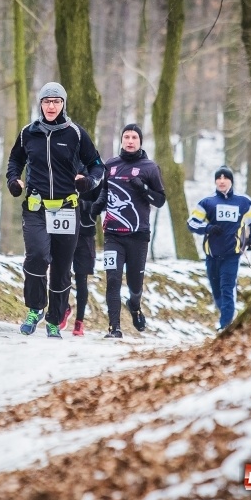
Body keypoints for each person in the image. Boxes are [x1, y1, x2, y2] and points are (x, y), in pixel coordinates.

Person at [6, 81, 104, 338]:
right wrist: (13, 180)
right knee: (37, 255)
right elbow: (15, 159)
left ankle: (54, 319)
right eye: (47, 101)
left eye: (56, 101)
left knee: (61, 267)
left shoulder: (76, 134)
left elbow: (96, 165)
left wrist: (88, 181)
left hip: (66, 209)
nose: (51, 106)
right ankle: (34, 309)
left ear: (63, 104)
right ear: (40, 104)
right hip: (36, 207)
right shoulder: (28, 132)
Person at [90, 124, 166, 339]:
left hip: (138, 235)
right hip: (113, 234)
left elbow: (160, 200)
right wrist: (96, 208)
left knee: (134, 285)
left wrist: (143, 188)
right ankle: (114, 328)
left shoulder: (150, 167)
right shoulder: (111, 165)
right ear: (121, 140)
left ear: (140, 141)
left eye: (134, 137)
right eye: (126, 137)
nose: (130, 141)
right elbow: (106, 192)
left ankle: (134, 305)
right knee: (112, 279)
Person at [187, 165, 251, 332]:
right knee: (217, 292)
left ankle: (225, 326)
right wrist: (207, 229)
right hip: (212, 254)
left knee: (227, 288)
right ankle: (226, 318)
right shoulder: (207, 202)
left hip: (232, 254)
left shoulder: (243, 202)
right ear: (215, 181)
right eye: (218, 178)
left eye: (225, 178)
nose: (222, 181)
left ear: (231, 181)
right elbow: (191, 223)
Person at [58, 166, 100, 336]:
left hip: (85, 236)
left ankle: (79, 322)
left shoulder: (94, 175)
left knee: (81, 279)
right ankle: (63, 310)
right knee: (61, 275)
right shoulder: (63, 169)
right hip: (65, 232)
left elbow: (99, 202)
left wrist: (83, 204)